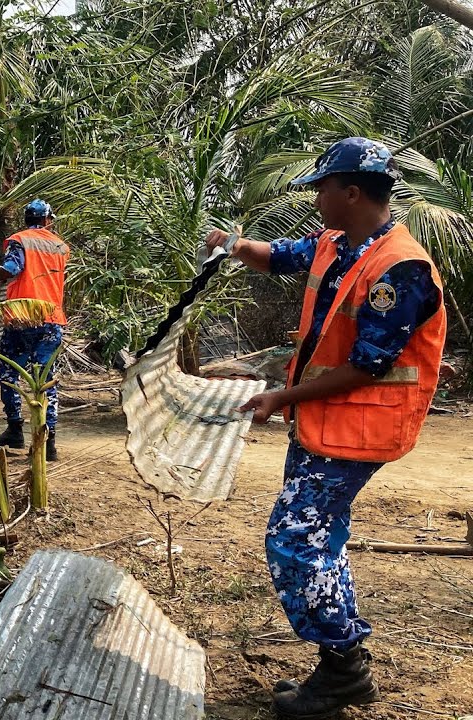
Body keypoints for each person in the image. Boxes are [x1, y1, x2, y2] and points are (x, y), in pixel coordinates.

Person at [204, 137, 446, 720]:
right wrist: (231, 245)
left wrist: (279, 396)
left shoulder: (401, 268)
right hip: (323, 424)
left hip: (360, 430)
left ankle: (343, 668)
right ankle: (341, 666)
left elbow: (368, 364)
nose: (316, 199)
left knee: (294, 541)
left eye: (322, 189)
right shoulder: (337, 244)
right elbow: (279, 256)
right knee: (321, 538)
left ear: (353, 193)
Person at [0, 199, 69, 460]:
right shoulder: (61, 246)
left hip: (22, 318)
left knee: (10, 375)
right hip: (51, 320)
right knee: (45, 380)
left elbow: (12, 269)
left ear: (26, 219)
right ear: (47, 220)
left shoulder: (20, 240)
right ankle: (48, 443)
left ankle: (15, 429)